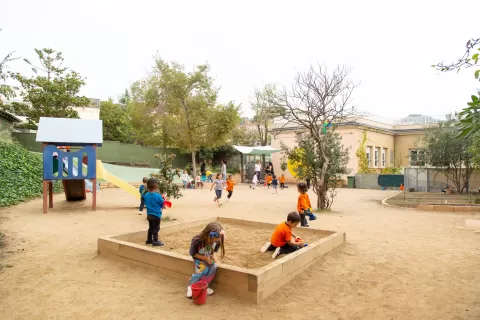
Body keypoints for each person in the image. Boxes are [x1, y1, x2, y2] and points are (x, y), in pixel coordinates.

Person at [186, 222, 226, 298]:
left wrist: (212, 256)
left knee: (213, 268)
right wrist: (204, 258)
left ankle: (204, 286)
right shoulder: (197, 240)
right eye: (213, 240)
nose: (214, 242)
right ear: (207, 235)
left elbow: (214, 250)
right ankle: (191, 286)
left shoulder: (217, 240)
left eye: (217, 241)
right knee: (203, 270)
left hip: (208, 258)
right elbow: (193, 253)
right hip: (199, 258)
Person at [144, 178, 165, 246]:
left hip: (149, 215)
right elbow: (163, 203)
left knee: (151, 228)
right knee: (156, 228)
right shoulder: (158, 195)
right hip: (156, 215)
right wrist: (163, 198)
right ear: (156, 186)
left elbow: (146, 202)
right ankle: (155, 241)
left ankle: (149, 239)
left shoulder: (146, 195)